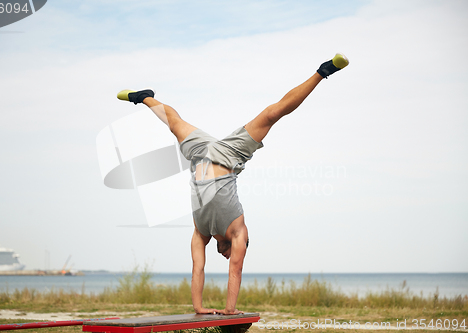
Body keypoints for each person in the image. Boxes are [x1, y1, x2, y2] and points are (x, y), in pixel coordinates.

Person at [116, 53, 349, 315]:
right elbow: (236, 269)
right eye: (230, 254)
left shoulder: (200, 232)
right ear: (244, 242)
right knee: (273, 114)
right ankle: (323, 71)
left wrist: (198, 307)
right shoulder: (239, 232)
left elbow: (198, 268)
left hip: (201, 155)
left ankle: (143, 97)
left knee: (174, 123)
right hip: (230, 155)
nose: (226, 257)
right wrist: (230, 310)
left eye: (227, 255)